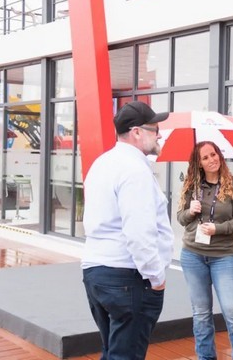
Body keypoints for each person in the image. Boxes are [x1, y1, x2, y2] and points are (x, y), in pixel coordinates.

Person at [81, 101, 173, 360]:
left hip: (97, 271)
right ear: (137, 132)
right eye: (155, 129)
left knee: (113, 352)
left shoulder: (102, 163)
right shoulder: (134, 170)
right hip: (127, 276)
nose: (159, 135)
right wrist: (156, 277)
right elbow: (139, 231)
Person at [177, 141, 233, 360]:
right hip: (192, 255)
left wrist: (217, 229)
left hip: (224, 256)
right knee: (201, 314)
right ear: (198, 163)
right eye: (205, 157)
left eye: (214, 154)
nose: (212, 159)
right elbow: (181, 218)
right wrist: (190, 211)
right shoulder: (191, 185)